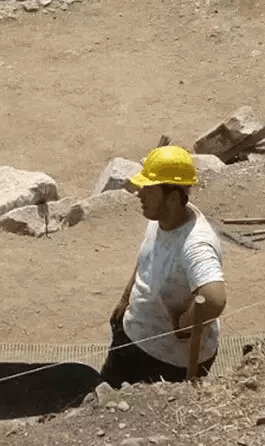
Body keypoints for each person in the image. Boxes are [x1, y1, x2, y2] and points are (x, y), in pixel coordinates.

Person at [101, 145, 227, 387]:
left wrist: (185, 323)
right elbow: (147, 256)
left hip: (165, 363)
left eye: (149, 189)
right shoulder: (161, 219)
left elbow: (214, 298)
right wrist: (126, 298)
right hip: (133, 337)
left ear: (172, 197)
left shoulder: (195, 244)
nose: (140, 194)